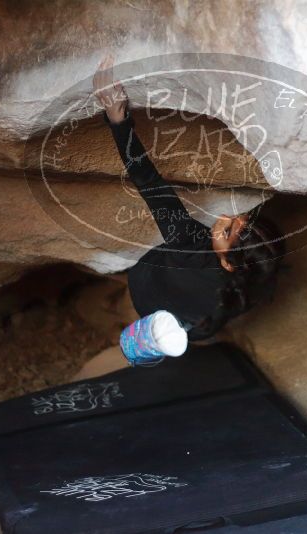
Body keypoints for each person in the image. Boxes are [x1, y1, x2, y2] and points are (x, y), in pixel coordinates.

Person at [93, 54, 285, 343]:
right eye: (243, 220)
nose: (228, 218)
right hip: (192, 327)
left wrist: (117, 120)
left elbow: (149, 183)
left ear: (228, 262)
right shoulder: (247, 286)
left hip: (147, 287)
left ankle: (122, 291)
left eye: (229, 230)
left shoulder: (188, 246)